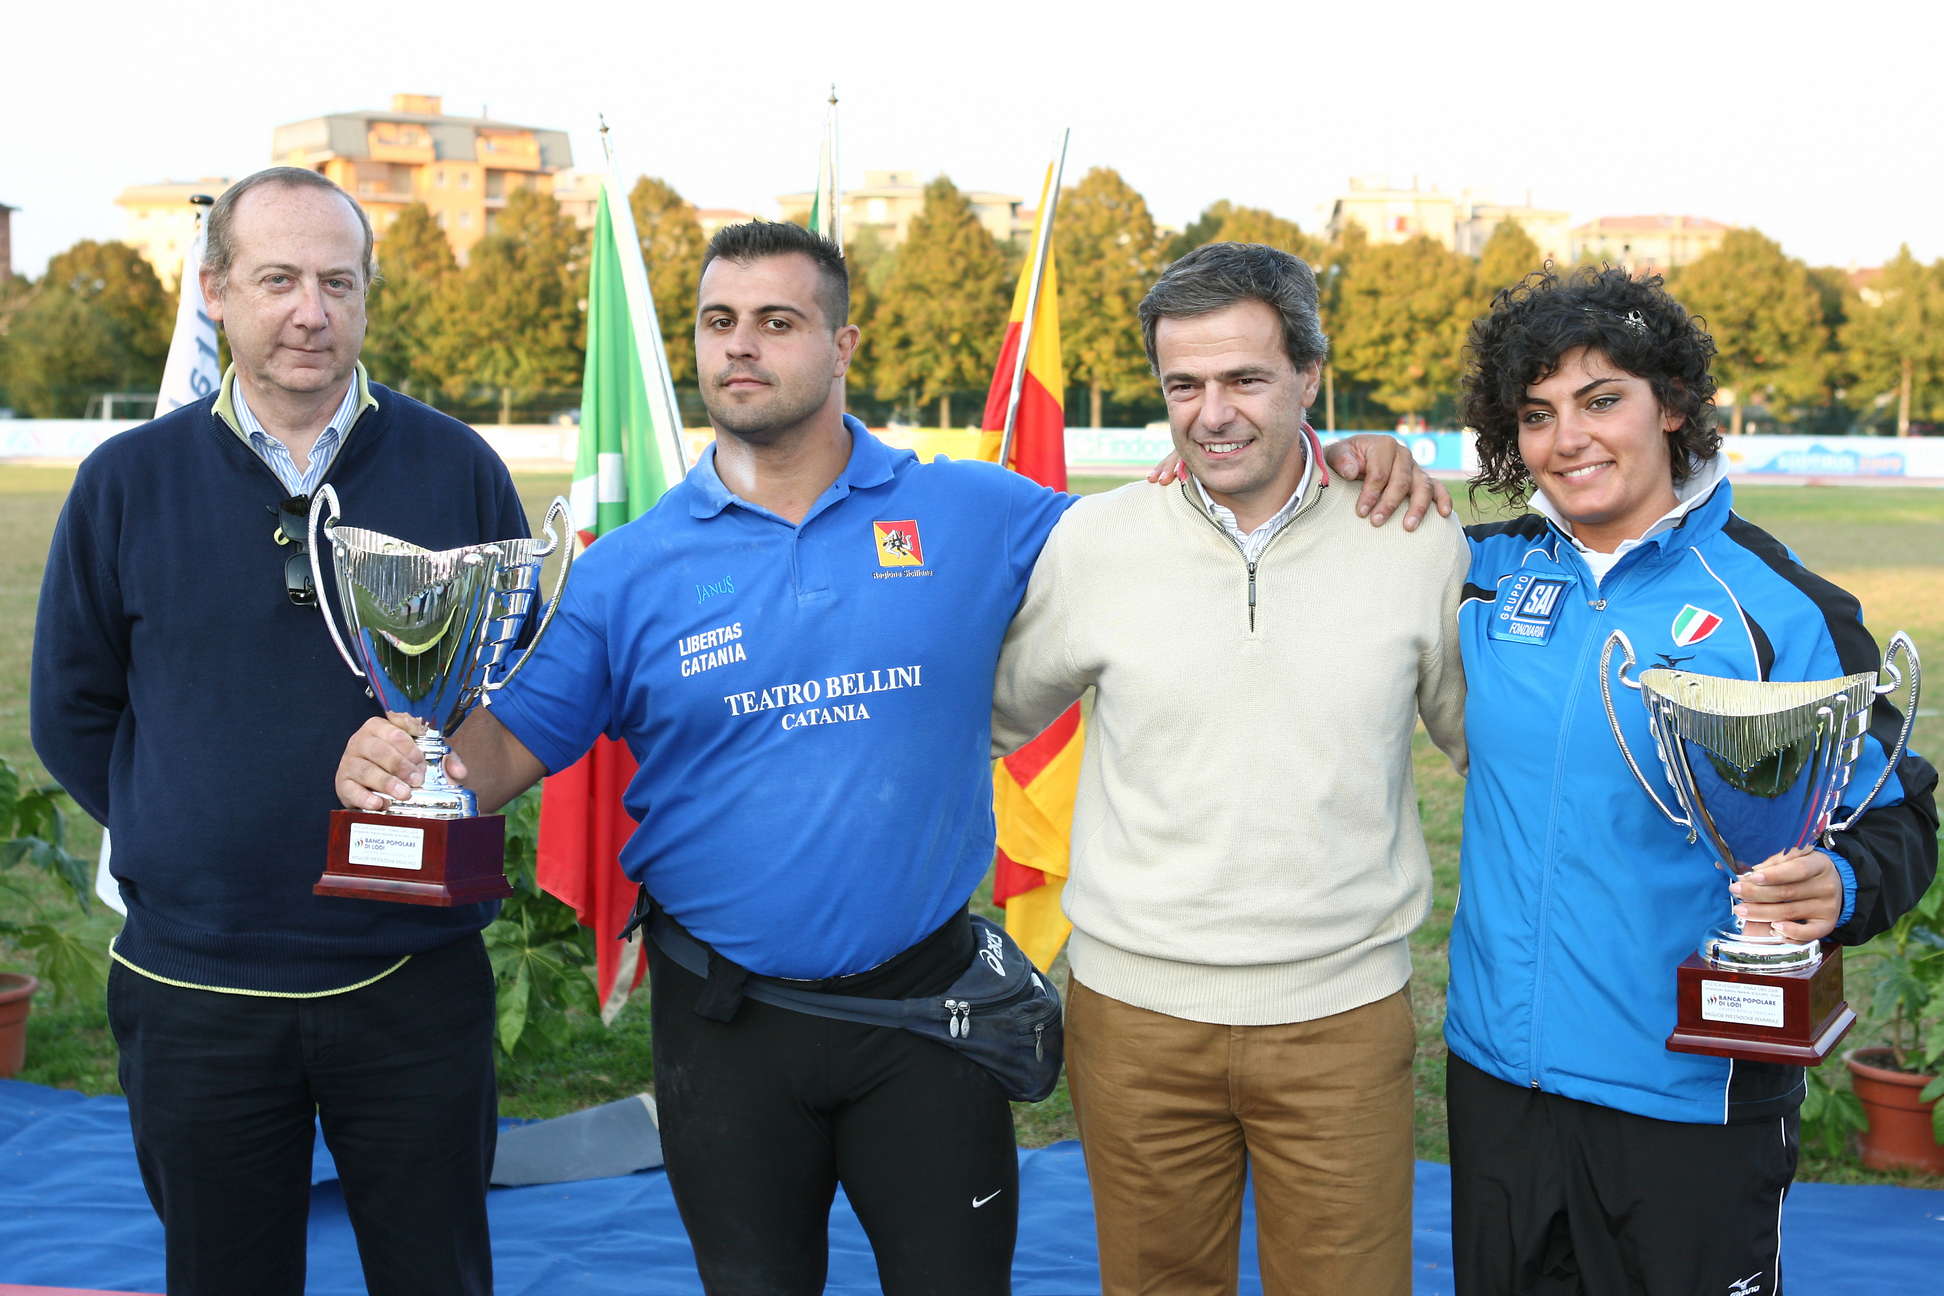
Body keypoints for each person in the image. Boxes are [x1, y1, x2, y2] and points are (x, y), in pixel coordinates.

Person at [334, 221, 1445, 1294]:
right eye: (719, 321)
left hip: (928, 1014)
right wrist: (406, 763)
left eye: (777, 321)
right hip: (723, 1023)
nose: (741, 346)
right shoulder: (627, 568)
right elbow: (504, 749)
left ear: (842, 345)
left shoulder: (974, 509)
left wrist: (1348, 457)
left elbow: (1182, 525)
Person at [31, 167, 525, 1296]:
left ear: (367, 296)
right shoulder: (124, 481)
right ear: (215, 291)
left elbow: (513, 684)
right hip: (197, 986)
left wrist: (436, 777)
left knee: (437, 1275)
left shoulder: (457, 468)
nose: (312, 311)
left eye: (338, 283)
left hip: (411, 976)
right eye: (278, 280)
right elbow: (71, 707)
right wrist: (184, 824)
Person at [1446, 265, 1939, 1295]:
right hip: (1499, 1080)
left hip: (1692, 1096)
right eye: (1536, 414)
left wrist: (1839, 884)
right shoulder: (1477, 574)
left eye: (1600, 400)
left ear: (1671, 404)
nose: (1568, 439)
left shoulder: (1780, 605)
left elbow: (1897, 821)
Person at [988, 241, 1468, 1296]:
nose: (1213, 414)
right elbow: (980, 722)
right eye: (1184, 385)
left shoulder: (1416, 538)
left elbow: (1491, 752)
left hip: (1342, 1018)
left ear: (1309, 376)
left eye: (1246, 379)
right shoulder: (1097, 540)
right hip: (1135, 1016)